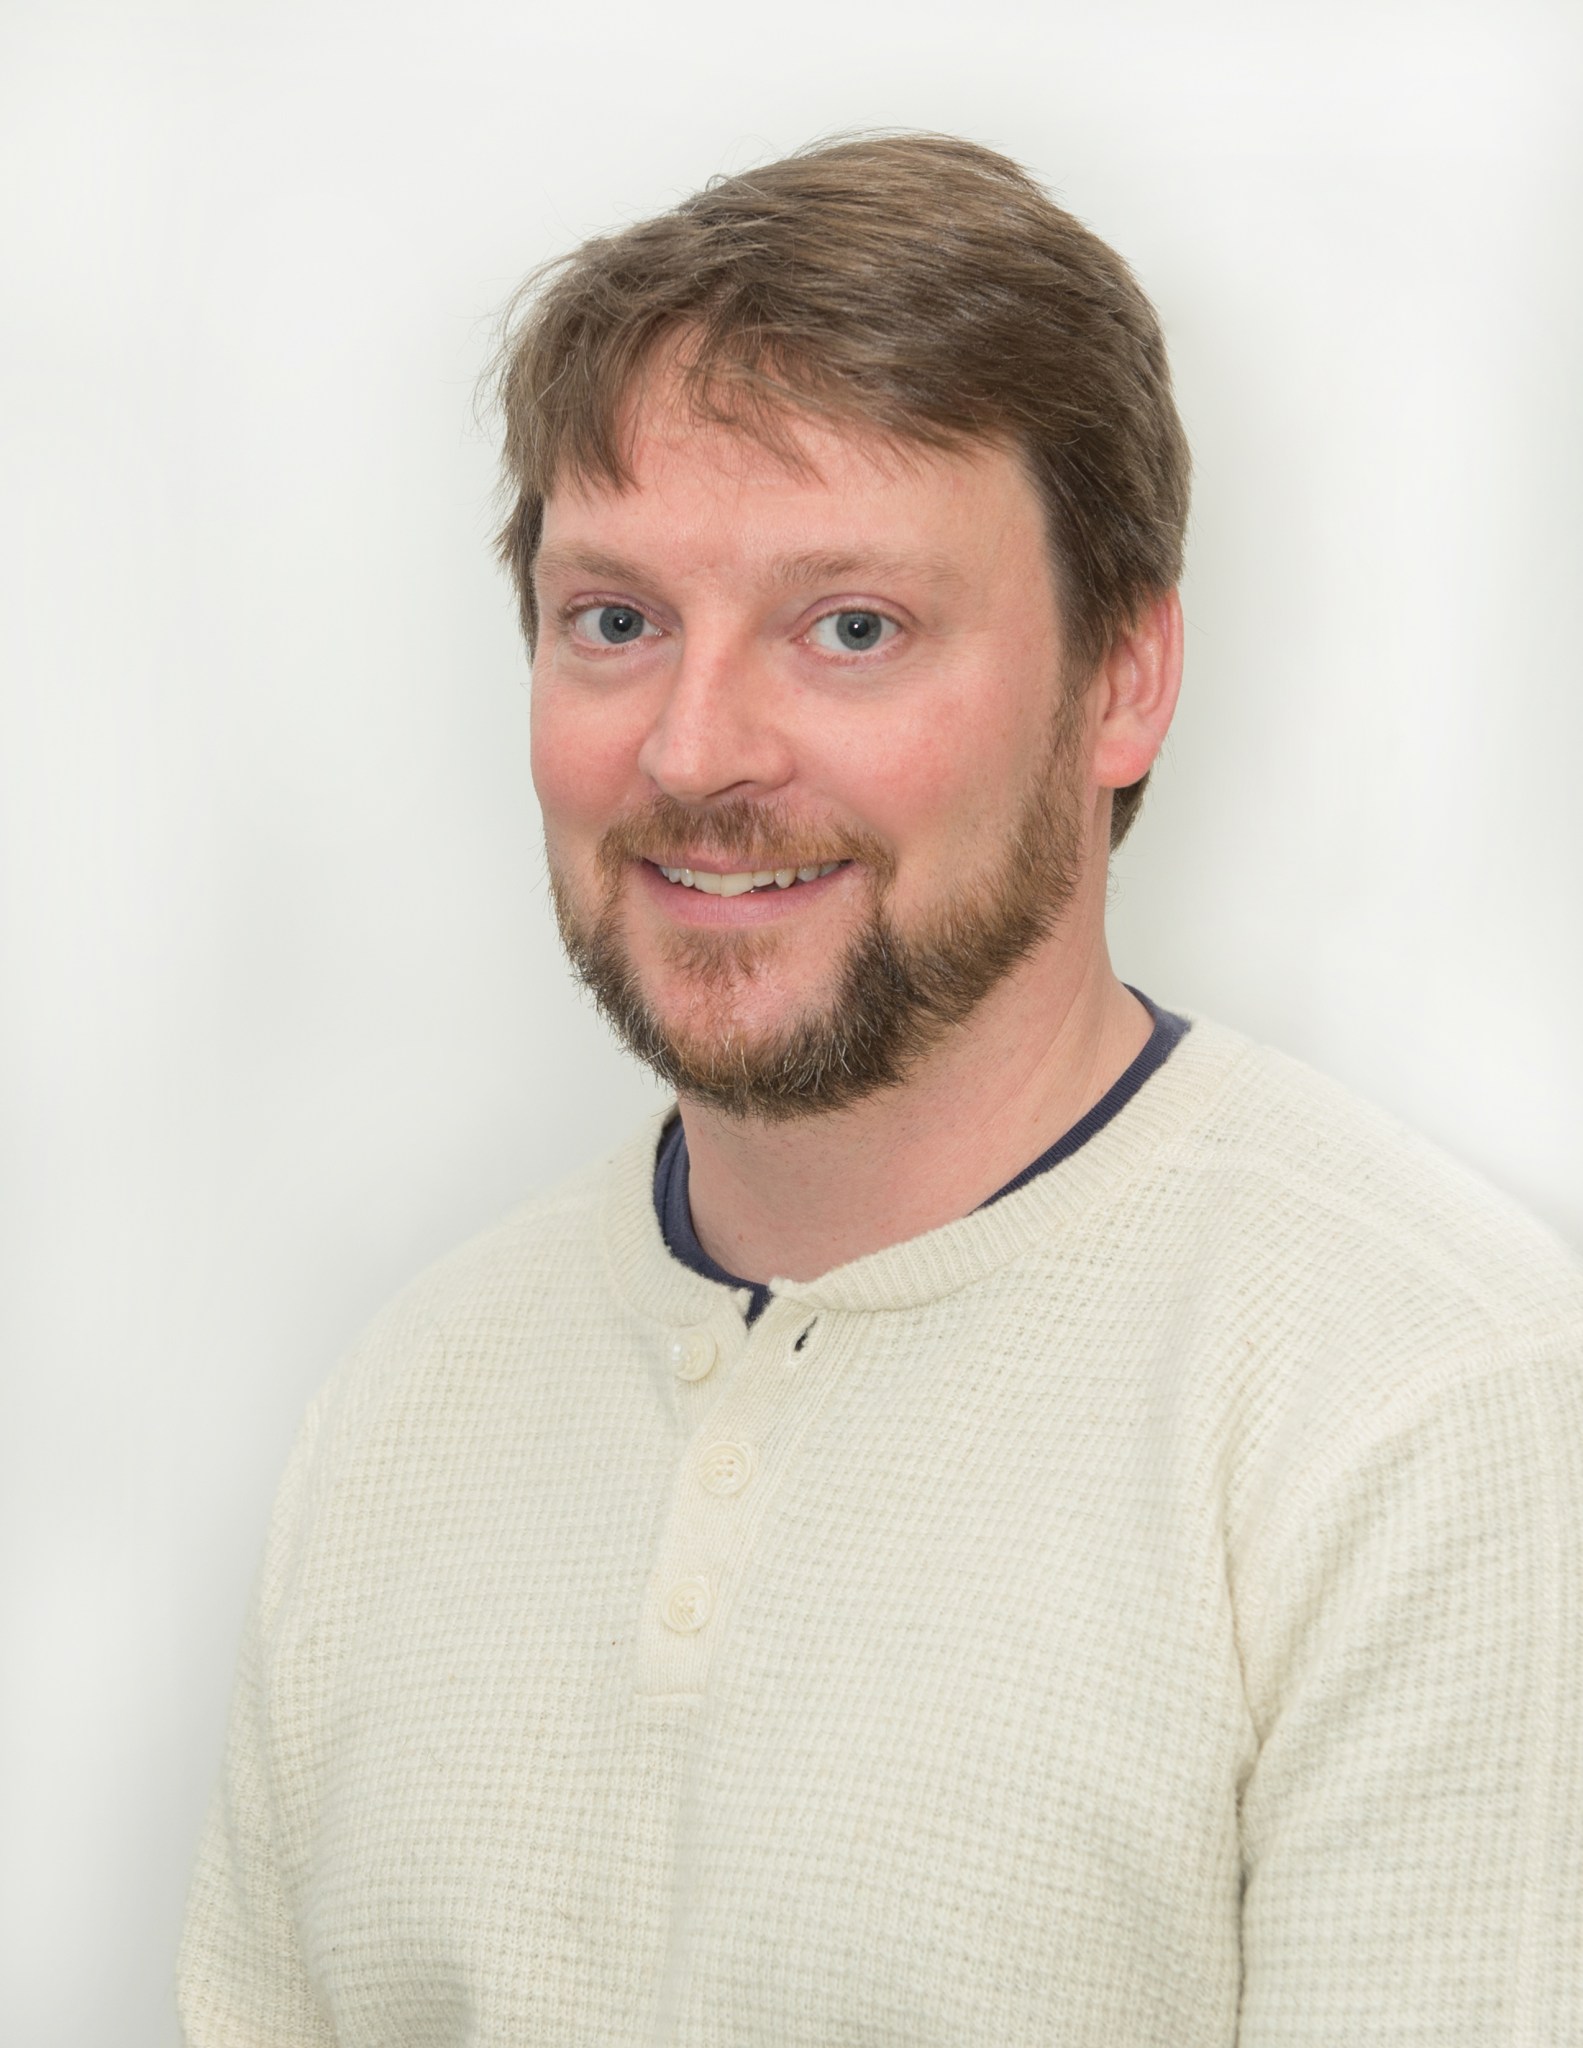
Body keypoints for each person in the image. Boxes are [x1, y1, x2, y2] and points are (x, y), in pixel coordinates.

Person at [176, 134, 1583, 2046]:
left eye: (853, 628)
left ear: (1123, 683)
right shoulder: (406, 1409)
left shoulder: (1429, 1413)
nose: (693, 747)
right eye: (616, 620)